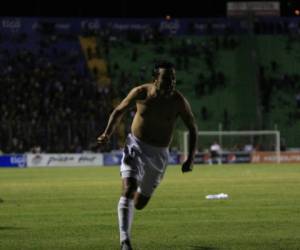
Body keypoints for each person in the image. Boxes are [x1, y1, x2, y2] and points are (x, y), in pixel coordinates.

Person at [97, 61, 198, 250]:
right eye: (166, 79)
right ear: (155, 79)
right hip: (136, 146)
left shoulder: (178, 101)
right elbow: (119, 111)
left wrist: (190, 158)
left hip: (159, 155)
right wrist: (107, 133)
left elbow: (193, 128)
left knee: (141, 203)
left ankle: (130, 207)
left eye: (173, 79)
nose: (171, 83)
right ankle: (125, 241)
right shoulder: (141, 93)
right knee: (128, 188)